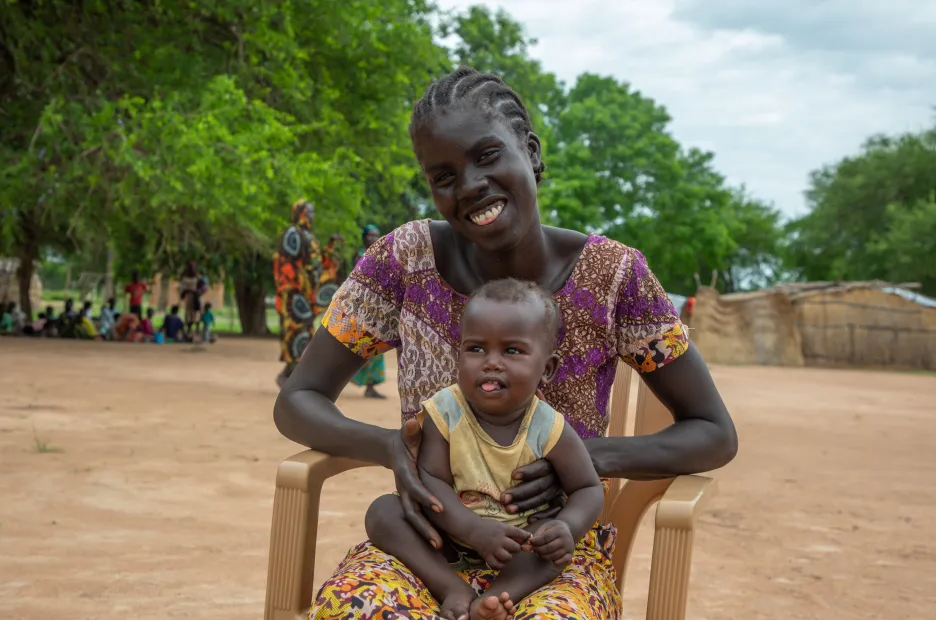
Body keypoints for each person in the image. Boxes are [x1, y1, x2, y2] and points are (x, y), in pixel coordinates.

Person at [274, 67, 737, 619]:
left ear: (532, 153)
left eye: (488, 156)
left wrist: (585, 459)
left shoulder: (614, 276)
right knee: (360, 610)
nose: (469, 185)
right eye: (443, 176)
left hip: (551, 552)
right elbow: (296, 400)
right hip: (429, 544)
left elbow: (714, 432)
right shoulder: (402, 262)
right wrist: (391, 448)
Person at [366, 279, 604, 619]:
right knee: (383, 512)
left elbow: (588, 487)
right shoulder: (445, 411)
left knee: (548, 549)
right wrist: (473, 531)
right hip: (447, 538)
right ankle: (452, 587)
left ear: (546, 369)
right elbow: (431, 480)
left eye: (512, 351)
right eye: (476, 349)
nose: (491, 362)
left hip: (518, 546)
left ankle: (493, 599)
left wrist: (567, 525)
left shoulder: (548, 426)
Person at [272, 199, 322, 388]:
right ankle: (288, 376)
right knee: (296, 330)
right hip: (294, 294)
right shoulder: (293, 233)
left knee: (305, 331)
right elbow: (285, 264)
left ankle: (290, 376)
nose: (311, 216)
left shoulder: (307, 235)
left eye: (312, 212)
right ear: (300, 213)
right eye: (308, 212)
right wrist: (295, 287)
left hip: (305, 295)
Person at [348, 224, 388, 399]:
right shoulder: (360, 256)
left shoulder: (382, 256)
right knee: (359, 346)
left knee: (375, 347)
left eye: (377, 235)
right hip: (362, 307)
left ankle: (371, 386)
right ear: (364, 238)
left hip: (377, 308)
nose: (374, 238)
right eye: (370, 235)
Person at [180, 260, 202, 337]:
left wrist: (198, 292)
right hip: (188, 297)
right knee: (189, 313)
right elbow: (182, 288)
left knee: (196, 313)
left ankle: (197, 330)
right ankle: (189, 331)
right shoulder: (185, 278)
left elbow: (202, 287)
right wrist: (183, 294)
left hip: (196, 297)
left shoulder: (198, 277)